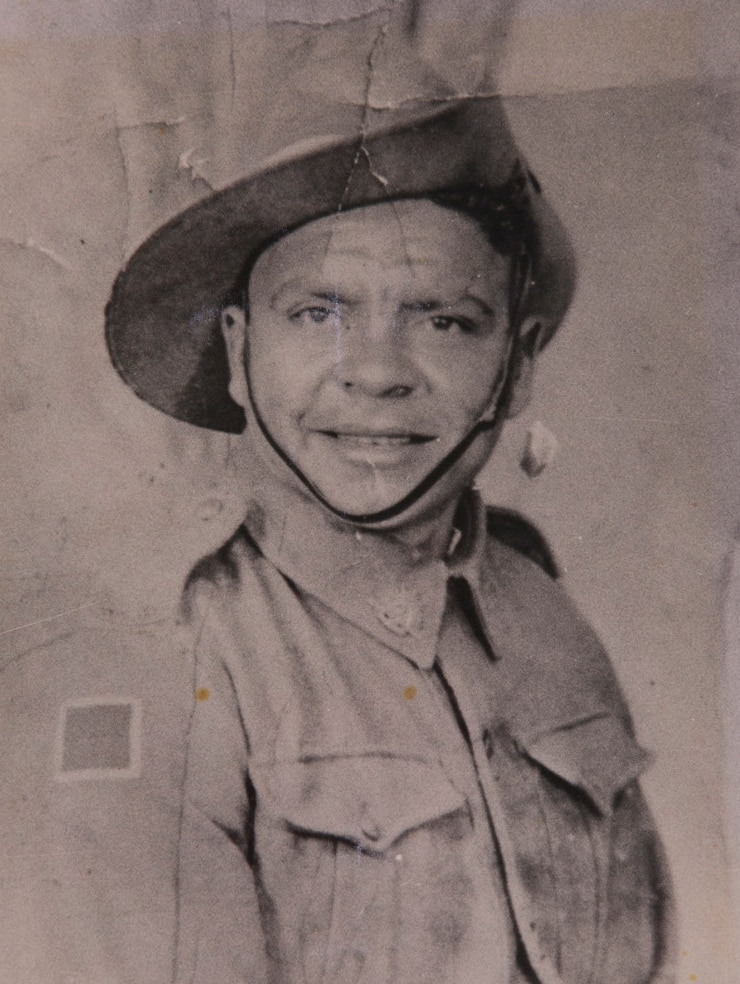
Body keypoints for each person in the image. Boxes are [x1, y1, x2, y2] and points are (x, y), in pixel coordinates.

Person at [106, 93, 675, 983]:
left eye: (444, 321)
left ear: (517, 363)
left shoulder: (545, 612)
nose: (375, 373)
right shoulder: (186, 649)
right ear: (237, 351)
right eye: (318, 315)